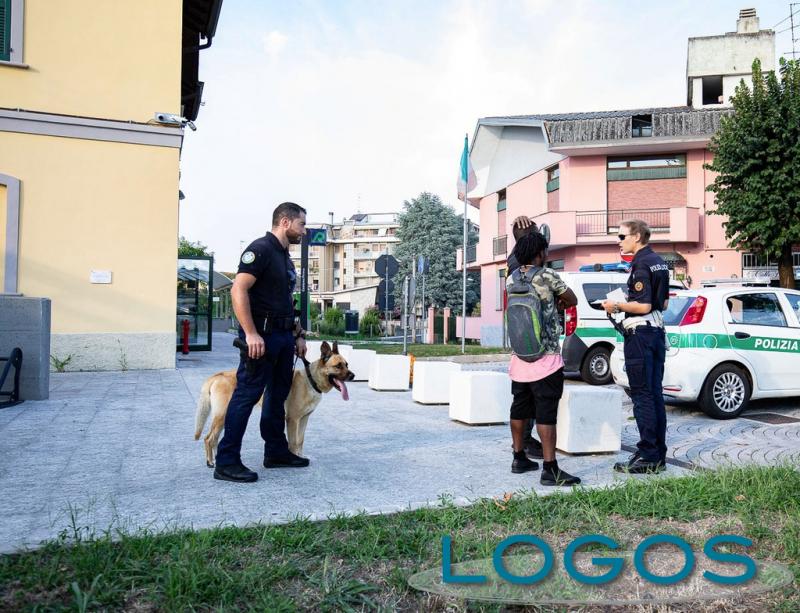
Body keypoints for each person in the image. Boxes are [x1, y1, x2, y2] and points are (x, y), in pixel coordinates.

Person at [213, 202, 309, 483]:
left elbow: (285, 302)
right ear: (285, 222)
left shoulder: (284, 257)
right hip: (261, 338)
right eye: (301, 224)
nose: (304, 231)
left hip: (283, 337)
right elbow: (238, 289)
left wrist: (298, 334)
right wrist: (250, 333)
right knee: (246, 396)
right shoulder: (261, 249)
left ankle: (276, 452)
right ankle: (226, 461)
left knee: (277, 396)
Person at [506, 231, 581, 486]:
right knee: (546, 413)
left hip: (520, 357)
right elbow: (572, 299)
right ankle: (550, 469)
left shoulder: (512, 278)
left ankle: (518, 458)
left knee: (519, 408)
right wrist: (557, 302)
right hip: (546, 358)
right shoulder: (547, 275)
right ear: (541, 253)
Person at [602, 219, 670, 474]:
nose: (619, 241)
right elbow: (663, 304)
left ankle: (648, 455)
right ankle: (657, 454)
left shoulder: (641, 263)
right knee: (654, 394)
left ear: (637, 236)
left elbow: (643, 305)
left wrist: (615, 305)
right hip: (656, 333)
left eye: (622, 236)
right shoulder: (659, 261)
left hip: (640, 335)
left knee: (641, 395)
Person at [507, 216, 543, 459]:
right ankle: (525, 442)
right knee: (531, 394)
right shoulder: (527, 268)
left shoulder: (514, 264)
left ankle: (522, 444)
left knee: (523, 394)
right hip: (533, 338)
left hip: (520, 336)